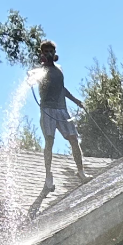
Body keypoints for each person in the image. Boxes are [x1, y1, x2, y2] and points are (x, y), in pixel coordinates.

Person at [36, 40, 86, 191]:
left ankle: (81, 171)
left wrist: (76, 100)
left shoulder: (59, 70)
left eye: (51, 51)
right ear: (42, 54)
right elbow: (34, 82)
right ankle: (48, 176)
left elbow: (62, 89)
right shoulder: (40, 71)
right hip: (47, 110)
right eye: (46, 52)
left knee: (73, 138)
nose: (49, 54)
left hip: (61, 109)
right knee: (49, 141)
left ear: (55, 53)